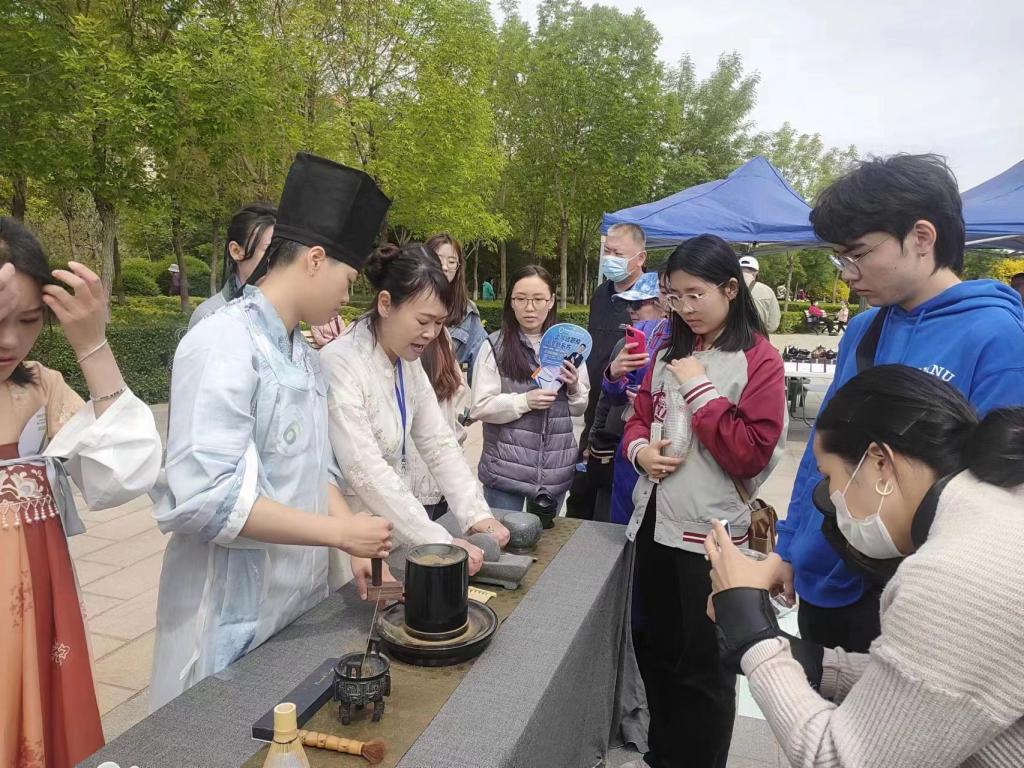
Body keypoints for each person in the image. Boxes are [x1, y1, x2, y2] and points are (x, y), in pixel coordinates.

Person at [150, 153, 394, 710]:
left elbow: (314, 468)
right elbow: (208, 499)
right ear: (314, 260)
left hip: (294, 602)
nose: (347, 297)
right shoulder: (221, 343)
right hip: (230, 612)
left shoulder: (303, 357)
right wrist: (338, 535)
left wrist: (348, 529)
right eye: (347, 280)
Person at [705, 365, 1024, 768]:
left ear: (879, 463)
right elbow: (923, 689)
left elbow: (839, 758)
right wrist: (812, 661)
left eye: (829, 477)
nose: (830, 497)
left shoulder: (955, 574)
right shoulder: (995, 510)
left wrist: (749, 626)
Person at [775, 153, 1024, 654]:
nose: (847, 274)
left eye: (858, 254)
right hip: (828, 571)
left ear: (922, 238)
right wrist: (790, 545)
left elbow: (997, 495)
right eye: (839, 258)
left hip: (914, 597)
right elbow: (823, 447)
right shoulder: (864, 327)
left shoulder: (997, 336)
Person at [0, 218, 162, 768]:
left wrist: (93, 346)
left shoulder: (40, 388)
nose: (10, 340)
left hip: (40, 600)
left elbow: (124, 472)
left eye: (28, 320)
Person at [621, 234, 786, 768]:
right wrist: (640, 451)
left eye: (697, 294)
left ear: (731, 289)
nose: (686, 308)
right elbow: (638, 418)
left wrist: (699, 390)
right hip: (654, 526)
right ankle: (662, 754)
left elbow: (750, 455)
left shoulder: (759, 360)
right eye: (675, 296)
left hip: (711, 541)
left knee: (706, 670)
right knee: (655, 649)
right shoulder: (669, 351)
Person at [321, 243, 508, 575]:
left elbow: (438, 442)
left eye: (439, 323)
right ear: (385, 304)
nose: (431, 333)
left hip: (395, 525)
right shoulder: (341, 362)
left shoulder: (406, 362)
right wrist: (437, 540)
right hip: (349, 535)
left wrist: (476, 513)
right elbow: (364, 468)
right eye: (423, 320)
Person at [471, 265, 590, 515]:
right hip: (505, 472)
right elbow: (480, 406)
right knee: (503, 537)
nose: (529, 307)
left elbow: (579, 408)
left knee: (548, 539)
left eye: (538, 299)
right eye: (521, 299)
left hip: (554, 472)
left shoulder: (569, 346)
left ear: (551, 301)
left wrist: (573, 387)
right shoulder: (494, 346)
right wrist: (524, 401)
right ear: (511, 302)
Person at [566, 223, 646, 518]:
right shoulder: (601, 293)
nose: (610, 259)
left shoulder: (649, 299)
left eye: (618, 254)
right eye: (607, 252)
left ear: (640, 258)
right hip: (593, 408)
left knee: (608, 497)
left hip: (624, 415)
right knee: (580, 491)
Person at [580, 271, 668, 524]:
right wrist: (613, 376)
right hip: (616, 447)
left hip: (658, 453)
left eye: (638, 304)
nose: (631, 310)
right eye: (628, 304)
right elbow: (606, 401)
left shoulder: (678, 347)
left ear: (662, 304)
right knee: (608, 521)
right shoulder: (624, 346)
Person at [403, 247, 472, 522]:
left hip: (439, 477)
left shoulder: (443, 337)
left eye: (451, 261)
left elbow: (451, 405)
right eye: (423, 320)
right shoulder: (353, 355)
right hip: (403, 488)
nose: (430, 332)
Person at [188, 203, 276, 329]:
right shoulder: (209, 317)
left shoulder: (283, 313)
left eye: (282, 252)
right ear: (236, 251)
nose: (280, 260)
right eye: (269, 251)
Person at [426, 233, 487, 385]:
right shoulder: (405, 302)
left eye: (452, 261)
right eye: (438, 259)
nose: (445, 267)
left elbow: (482, 363)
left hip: (446, 392)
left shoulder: (467, 312)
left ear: (458, 267)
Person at [739, 255, 781, 333]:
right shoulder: (767, 291)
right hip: (758, 337)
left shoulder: (727, 289)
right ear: (756, 273)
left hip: (732, 338)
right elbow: (773, 324)